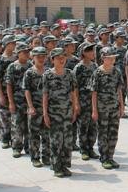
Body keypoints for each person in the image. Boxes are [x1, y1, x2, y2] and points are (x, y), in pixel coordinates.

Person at [42, 48, 79, 178]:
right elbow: (45, 95)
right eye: (58, 58)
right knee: (56, 140)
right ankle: (56, 166)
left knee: (67, 140)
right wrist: (45, 113)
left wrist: (75, 107)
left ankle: (64, 165)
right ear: (52, 60)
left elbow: (73, 92)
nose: (61, 60)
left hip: (67, 112)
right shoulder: (47, 75)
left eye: (63, 57)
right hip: (54, 113)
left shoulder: (70, 73)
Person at [91, 47, 124, 169]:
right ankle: (104, 158)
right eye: (109, 58)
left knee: (113, 133)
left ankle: (110, 157)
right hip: (102, 109)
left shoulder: (117, 72)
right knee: (103, 133)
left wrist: (121, 106)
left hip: (114, 108)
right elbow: (94, 93)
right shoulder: (97, 73)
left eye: (113, 58)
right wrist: (94, 110)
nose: (112, 60)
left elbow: (119, 90)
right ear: (103, 58)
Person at [23, 47, 50, 167]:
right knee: (34, 134)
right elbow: (27, 90)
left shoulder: (48, 71)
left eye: (43, 56)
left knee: (47, 133)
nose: (41, 59)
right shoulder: (29, 72)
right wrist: (30, 106)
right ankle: (35, 157)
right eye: (38, 56)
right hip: (35, 107)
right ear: (33, 57)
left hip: (46, 108)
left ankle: (46, 156)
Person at [6, 42, 32, 158]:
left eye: (28, 52)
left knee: (29, 125)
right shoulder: (12, 67)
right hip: (17, 101)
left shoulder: (31, 65)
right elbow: (9, 85)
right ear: (18, 53)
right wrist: (11, 102)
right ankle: (16, 147)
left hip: (29, 101)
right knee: (17, 125)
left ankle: (28, 147)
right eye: (24, 52)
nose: (27, 54)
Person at [74, 43, 99, 160]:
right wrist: (76, 103)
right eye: (90, 51)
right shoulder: (78, 68)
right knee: (83, 126)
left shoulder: (95, 66)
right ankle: (83, 149)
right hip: (83, 102)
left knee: (93, 126)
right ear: (84, 53)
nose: (93, 53)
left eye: (93, 50)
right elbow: (75, 87)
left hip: (93, 102)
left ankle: (91, 148)